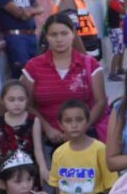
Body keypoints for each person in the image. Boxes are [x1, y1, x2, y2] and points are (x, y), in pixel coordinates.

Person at [21, 13, 105, 148]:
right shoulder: (33, 67)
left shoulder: (89, 64)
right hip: (48, 140)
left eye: (64, 33)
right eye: (53, 35)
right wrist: (47, 129)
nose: (59, 39)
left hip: (85, 137)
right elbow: (27, 105)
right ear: (46, 37)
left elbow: (100, 102)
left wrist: (81, 128)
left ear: (73, 34)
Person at [0, 80, 46, 184]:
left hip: (29, 171)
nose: (17, 103)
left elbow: (38, 150)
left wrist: (43, 169)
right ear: (2, 100)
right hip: (7, 173)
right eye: (11, 100)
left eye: (21, 99)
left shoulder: (33, 120)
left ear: (27, 100)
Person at [104, 0, 126, 82]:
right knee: (117, 50)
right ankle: (112, 73)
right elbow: (124, 11)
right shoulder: (112, 1)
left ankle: (120, 69)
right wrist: (125, 0)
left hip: (117, 27)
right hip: (114, 28)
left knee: (121, 49)